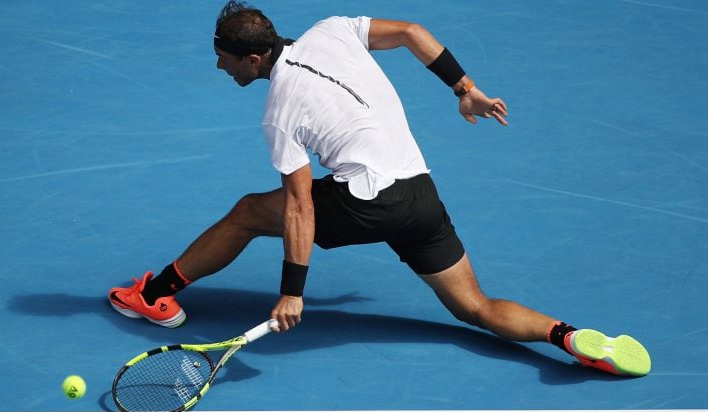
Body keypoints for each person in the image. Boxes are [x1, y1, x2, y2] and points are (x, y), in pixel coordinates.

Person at [109, 0, 651, 377]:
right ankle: (569, 337)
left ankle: (156, 296)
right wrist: (466, 90)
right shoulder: (334, 30)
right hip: (420, 196)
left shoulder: (280, 111)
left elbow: (299, 208)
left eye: (225, 58)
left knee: (251, 212)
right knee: (475, 307)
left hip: (368, 203)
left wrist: (293, 289)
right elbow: (415, 32)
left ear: (254, 58)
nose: (219, 66)